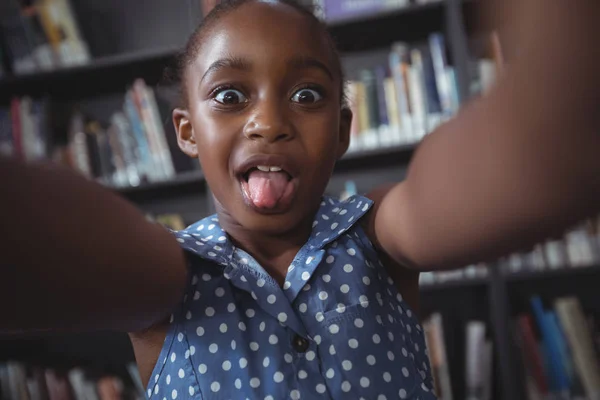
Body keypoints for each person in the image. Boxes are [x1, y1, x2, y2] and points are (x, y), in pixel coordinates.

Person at [1, 0, 599, 398]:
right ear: (186, 132)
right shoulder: (167, 274)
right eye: (231, 95)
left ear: (343, 130)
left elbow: (534, 161)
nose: (269, 121)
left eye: (308, 94)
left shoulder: (380, 236)